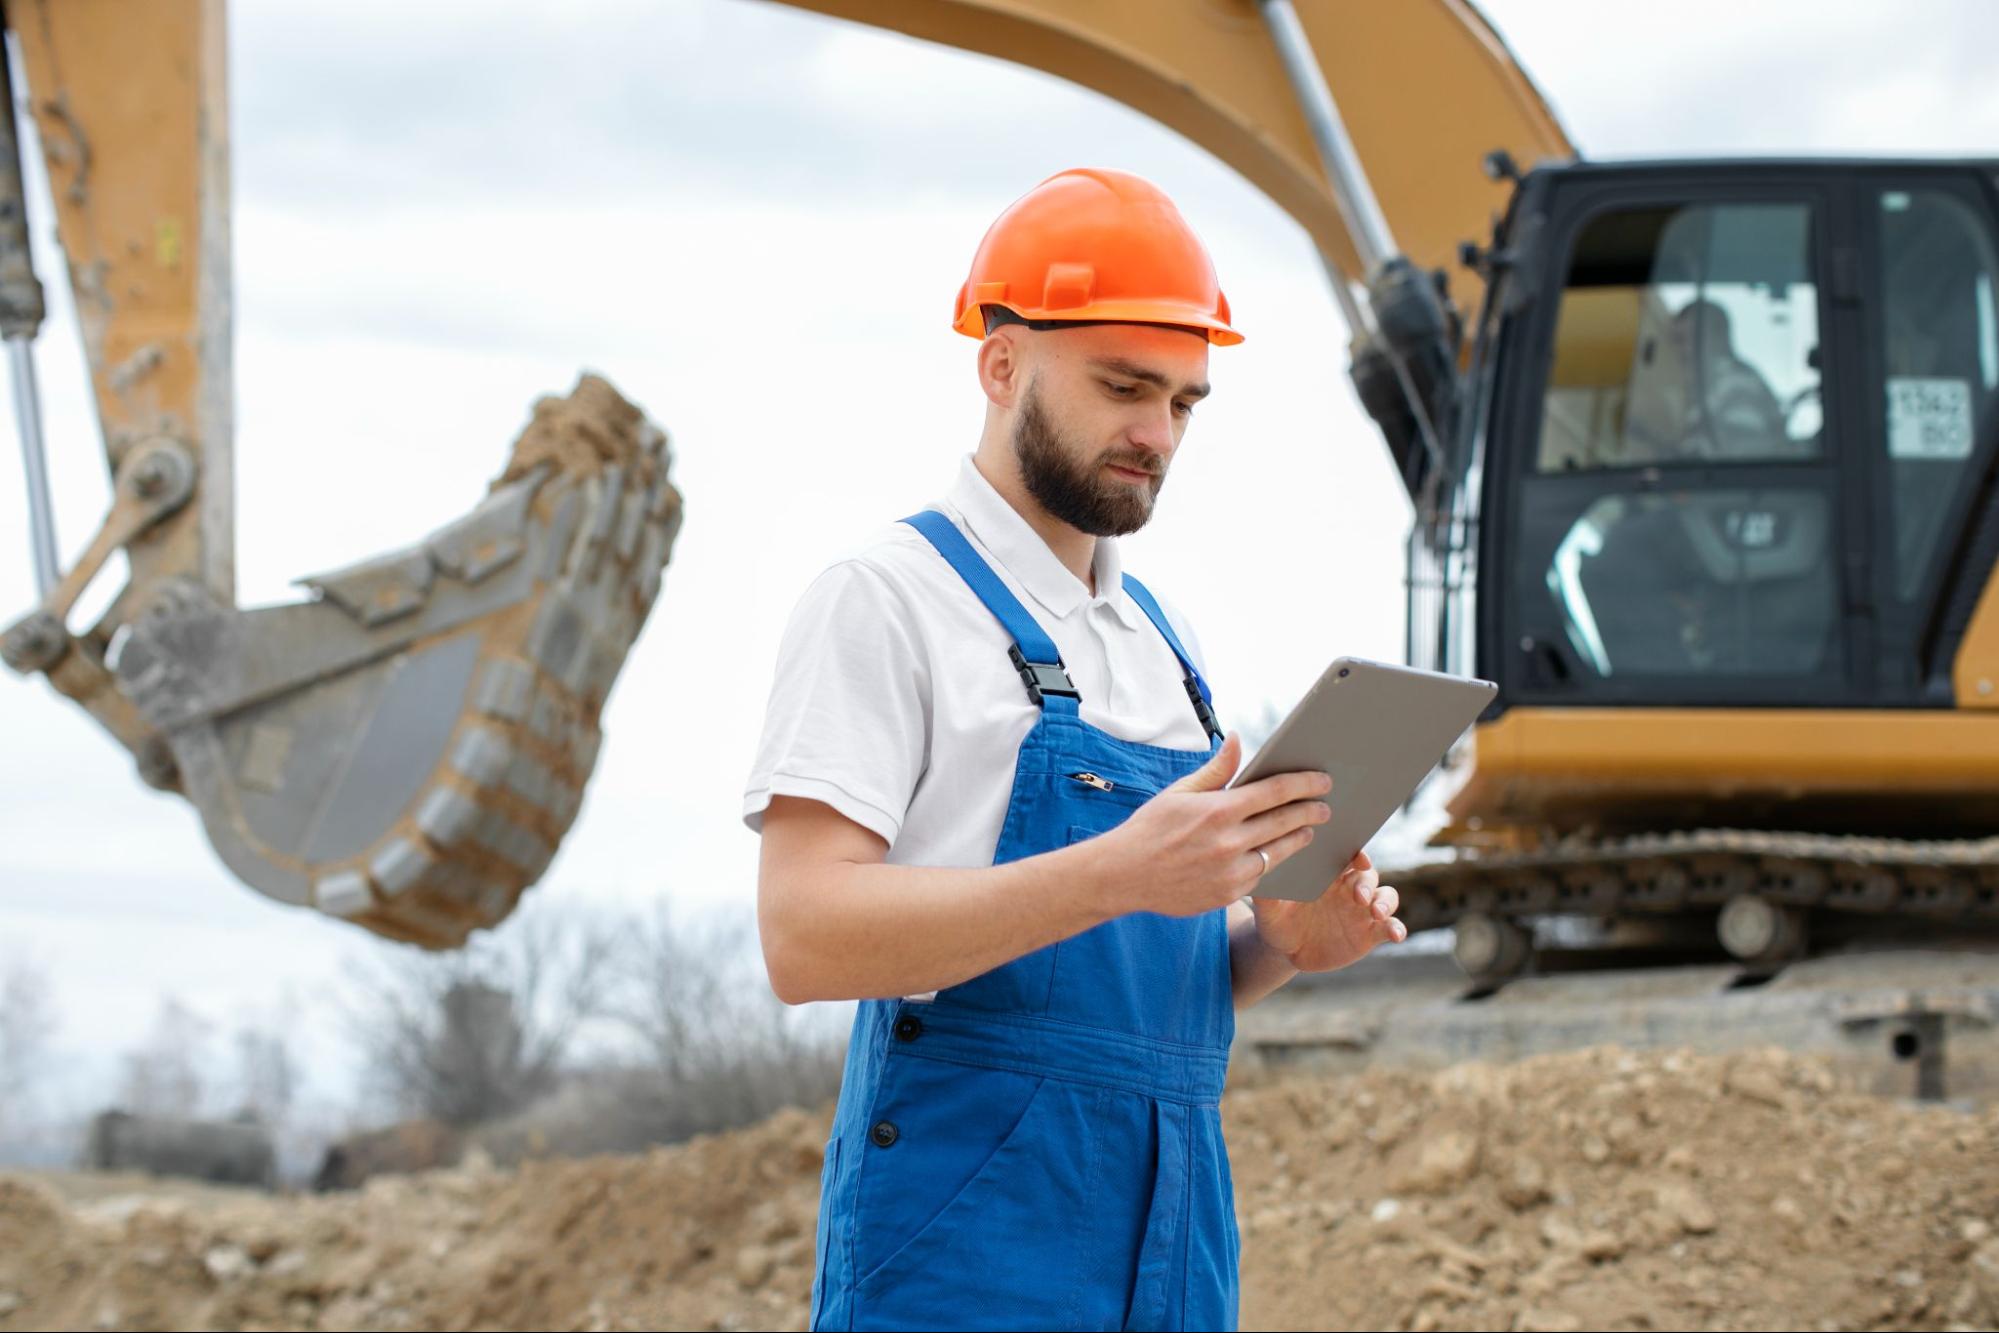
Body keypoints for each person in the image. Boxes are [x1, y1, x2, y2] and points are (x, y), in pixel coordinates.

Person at [744, 167, 1407, 1332]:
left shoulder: (1164, 643)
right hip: (968, 1236)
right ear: (1001, 363)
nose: (1156, 435)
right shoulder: (885, 599)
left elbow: (1131, 994)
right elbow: (802, 935)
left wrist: (1279, 945)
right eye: (1122, 387)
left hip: (1172, 1231)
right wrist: (1120, 870)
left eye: (1185, 403)